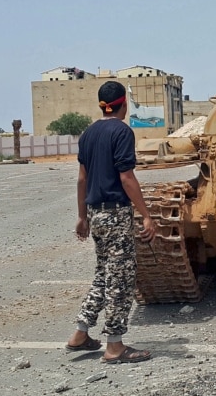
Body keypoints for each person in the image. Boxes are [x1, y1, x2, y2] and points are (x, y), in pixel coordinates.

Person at [66, 81, 157, 364]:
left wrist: (82, 216)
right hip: (116, 214)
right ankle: (114, 346)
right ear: (124, 105)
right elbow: (126, 178)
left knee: (104, 274)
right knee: (120, 280)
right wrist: (146, 214)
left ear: (102, 105)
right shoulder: (122, 132)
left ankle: (80, 333)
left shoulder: (88, 134)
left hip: (95, 212)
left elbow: (82, 178)